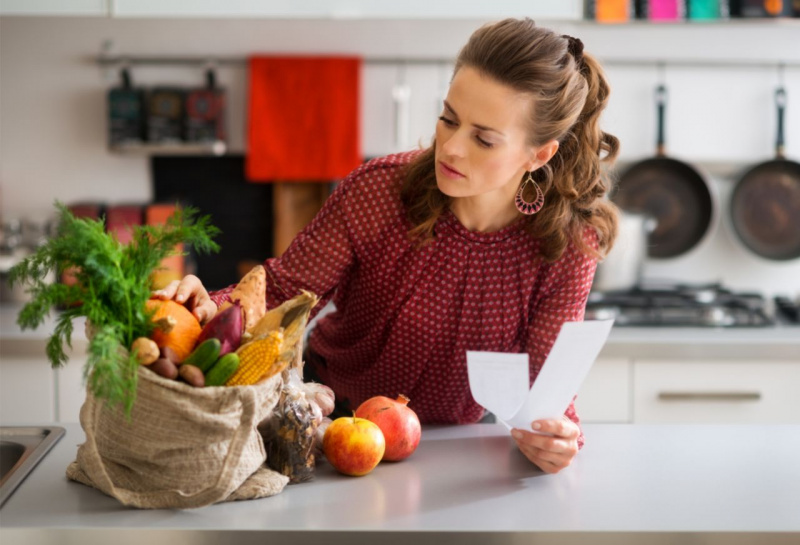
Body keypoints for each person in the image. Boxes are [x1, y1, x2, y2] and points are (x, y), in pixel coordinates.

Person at [154, 18, 619, 474]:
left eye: (483, 138)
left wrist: (555, 437)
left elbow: (549, 386)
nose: (451, 148)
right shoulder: (379, 191)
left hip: (456, 448)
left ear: (539, 154)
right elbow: (282, 291)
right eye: (448, 119)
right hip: (335, 422)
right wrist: (203, 307)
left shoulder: (569, 241)